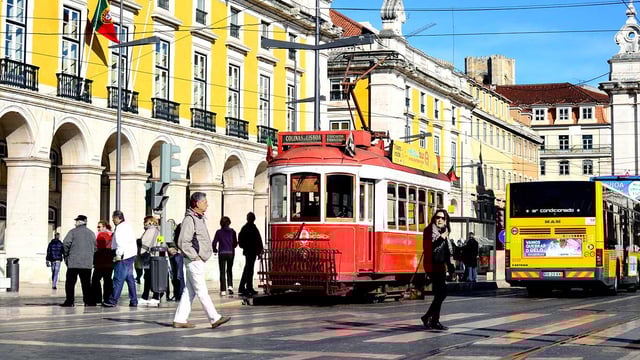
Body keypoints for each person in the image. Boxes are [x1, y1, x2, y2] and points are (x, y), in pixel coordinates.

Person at [173, 192, 230, 329]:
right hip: (194, 260)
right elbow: (183, 242)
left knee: (190, 291)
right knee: (201, 290)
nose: (207, 204)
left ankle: (180, 319)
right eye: (205, 202)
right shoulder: (190, 219)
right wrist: (195, 256)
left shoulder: (199, 218)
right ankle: (214, 317)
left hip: (197, 259)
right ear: (197, 204)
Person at [421, 209, 453, 330]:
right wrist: (441, 238)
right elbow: (429, 248)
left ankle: (431, 319)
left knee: (440, 293)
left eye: (442, 218)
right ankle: (431, 319)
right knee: (441, 292)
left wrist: (451, 268)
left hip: (440, 266)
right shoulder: (429, 231)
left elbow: (447, 252)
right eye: (437, 217)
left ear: (446, 221)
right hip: (432, 265)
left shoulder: (444, 232)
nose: (439, 220)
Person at [103, 210, 138, 307]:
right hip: (131, 254)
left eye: (113, 218)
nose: (112, 220)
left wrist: (118, 255)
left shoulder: (120, 228)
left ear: (119, 218)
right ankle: (134, 300)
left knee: (118, 278)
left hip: (123, 255)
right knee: (130, 278)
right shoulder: (128, 226)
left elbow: (120, 242)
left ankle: (113, 300)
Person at [61, 215, 97, 307]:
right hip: (87, 263)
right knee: (86, 283)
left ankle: (70, 301)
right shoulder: (91, 233)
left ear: (79, 222)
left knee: (70, 283)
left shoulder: (72, 232)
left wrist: (66, 256)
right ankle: (88, 301)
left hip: (73, 262)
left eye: (77, 221)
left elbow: (65, 244)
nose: (75, 222)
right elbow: (95, 248)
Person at [238, 212, 264, 297]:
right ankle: (246, 287)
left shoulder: (245, 228)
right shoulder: (253, 228)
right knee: (249, 269)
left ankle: (246, 287)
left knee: (248, 269)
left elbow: (241, 240)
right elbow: (258, 240)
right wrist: (260, 251)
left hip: (248, 251)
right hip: (251, 251)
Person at [212, 216, 238, 296]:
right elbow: (235, 244)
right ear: (229, 223)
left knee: (222, 271)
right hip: (230, 253)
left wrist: (215, 250)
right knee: (229, 270)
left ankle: (223, 290)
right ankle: (230, 286)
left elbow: (214, 243)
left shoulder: (218, 232)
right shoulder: (233, 231)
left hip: (222, 253)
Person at [139, 216, 161, 306]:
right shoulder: (155, 230)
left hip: (151, 256)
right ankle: (148, 296)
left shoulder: (153, 230)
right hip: (151, 255)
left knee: (150, 276)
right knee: (149, 276)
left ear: (151, 221)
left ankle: (154, 296)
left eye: (146, 221)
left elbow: (146, 242)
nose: (144, 223)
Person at [91, 221, 114, 305]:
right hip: (109, 262)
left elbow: (98, 248)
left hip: (101, 262)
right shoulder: (111, 236)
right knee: (107, 280)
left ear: (104, 227)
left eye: (99, 227)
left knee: (95, 280)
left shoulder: (101, 235)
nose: (98, 228)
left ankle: (97, 298)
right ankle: (107, 298)